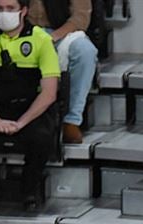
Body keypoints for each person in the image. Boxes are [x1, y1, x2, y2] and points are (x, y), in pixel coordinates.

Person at [0, 0, 61, 211]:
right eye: (0, 9)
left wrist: (20, 123)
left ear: (23, 11)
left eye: (10, 9)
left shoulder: (42, 40)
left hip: (29, 109)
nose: (4, 13)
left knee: (42, 136)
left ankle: (29, 189)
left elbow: (49, 93)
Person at [24, 0, 99, 144]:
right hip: (23, 30)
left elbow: (80, 17)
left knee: (85, 51)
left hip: (61, 32)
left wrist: (52, 38)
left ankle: (71, 120)